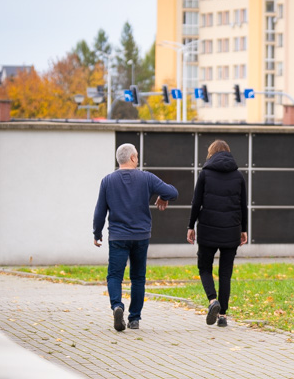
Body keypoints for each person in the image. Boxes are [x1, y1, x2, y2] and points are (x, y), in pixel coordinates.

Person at [93, 143, 178, 332]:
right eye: (137, 156)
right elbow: (173, 192)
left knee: (115, 275)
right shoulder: (146, 178)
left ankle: (117, 306)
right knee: (138, 277)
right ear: (132, 158)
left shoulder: (107, 181)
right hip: (141, 236)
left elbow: (100, 211)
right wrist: (163, 196)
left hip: (117, 237)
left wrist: (97, 233)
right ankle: (134, 319)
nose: (138, 159)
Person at [187, 139, 248, 327]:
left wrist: (191, 226)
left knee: (204, 267)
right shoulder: (238, 176)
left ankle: (213, 300)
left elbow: (196, 203)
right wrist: (244, 229)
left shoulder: (205, 174)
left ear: (211, 153)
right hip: (231, 230)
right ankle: (223, 316)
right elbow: (243, 206)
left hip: (208, 228)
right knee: (225, 273)